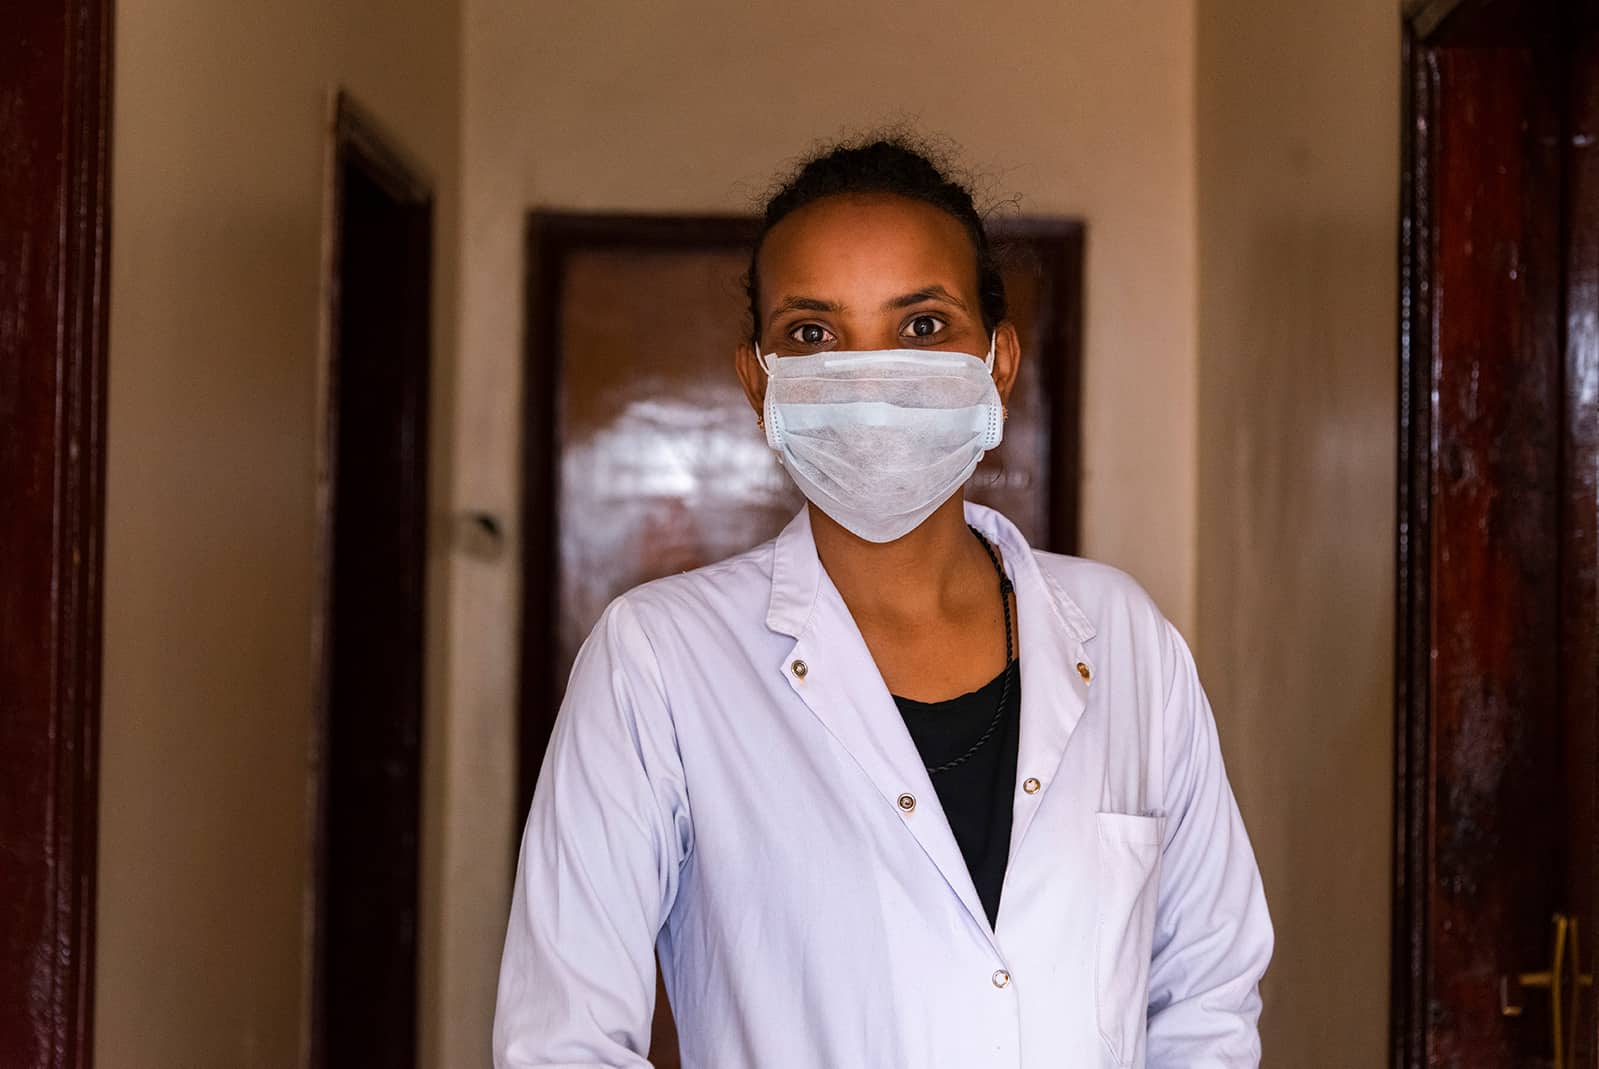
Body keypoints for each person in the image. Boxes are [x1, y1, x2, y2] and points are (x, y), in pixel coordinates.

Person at [493, 136, 1272, 1068]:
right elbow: (563, 1039)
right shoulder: (658, 659)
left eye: (921, 327)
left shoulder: (1124, 633)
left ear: (998, 362)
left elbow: (1206, 992)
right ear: (758, 383)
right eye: (813, 334)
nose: (866, 380)